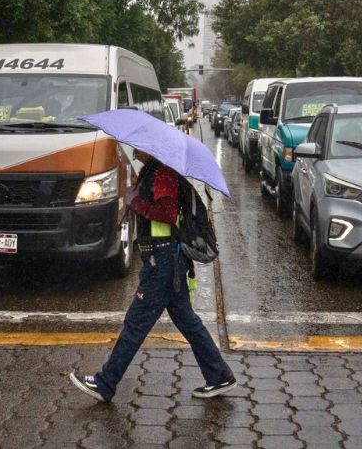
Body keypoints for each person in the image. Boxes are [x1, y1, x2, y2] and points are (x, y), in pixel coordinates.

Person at [69, 149, 236, 402]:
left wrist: (137, 202)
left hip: (163, 261)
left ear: (150, 148)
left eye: (137, 147)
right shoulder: (153, 171)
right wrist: (137, 191)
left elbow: (167, 213)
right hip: (165, 259)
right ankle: (219, 375)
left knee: (136, 322)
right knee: (188, 321)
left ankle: (105, 383)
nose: (133, 151)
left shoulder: (164, 172)